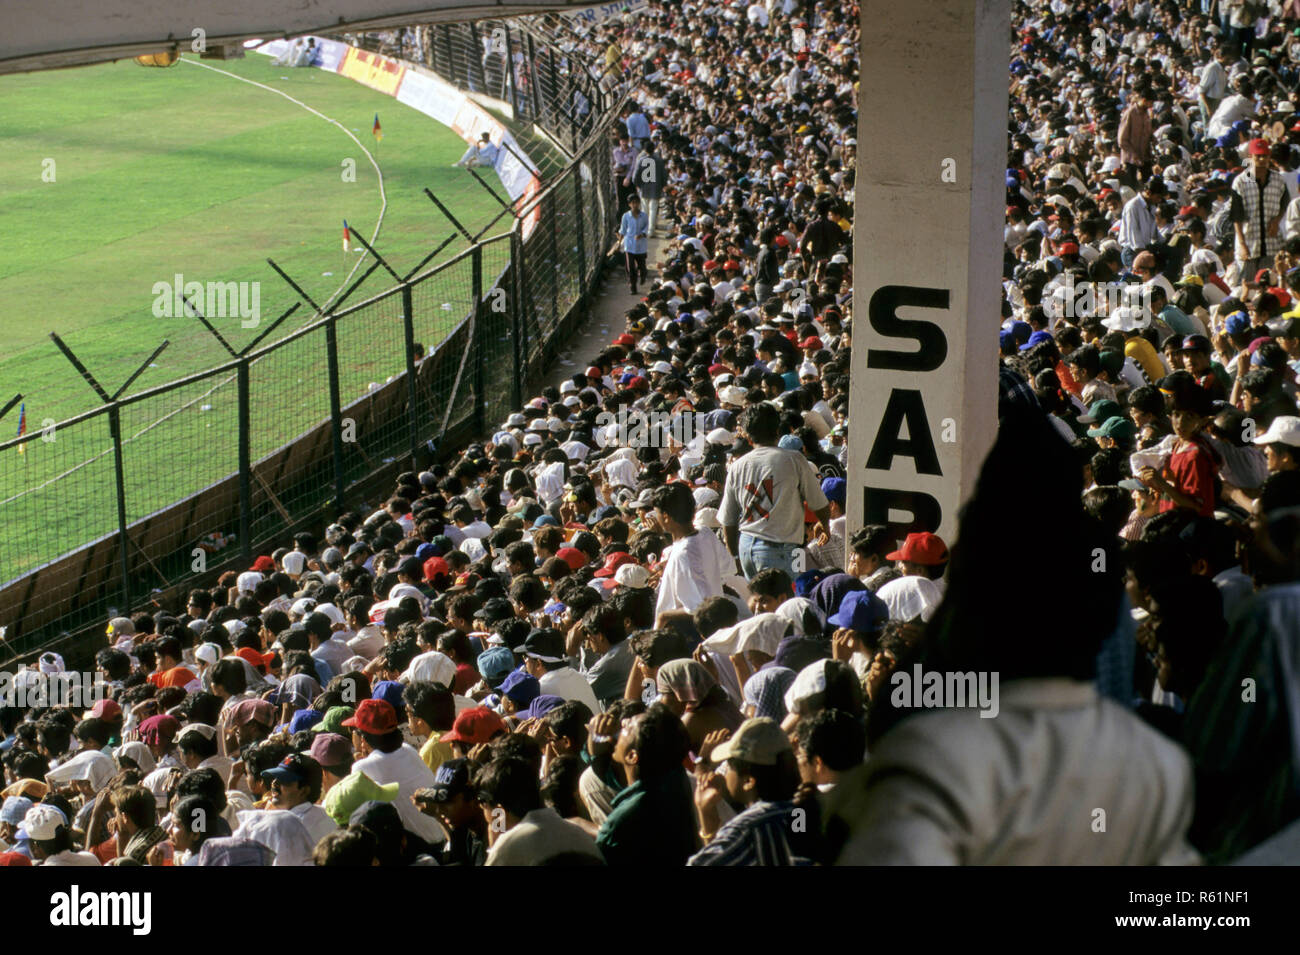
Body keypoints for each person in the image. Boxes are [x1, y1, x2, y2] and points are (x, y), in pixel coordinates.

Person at [719, 402, 831, 580]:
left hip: (747, 545)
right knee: (783, 602)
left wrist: (734, 556)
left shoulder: (737, 466)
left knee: (761, 603)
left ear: (748, 438)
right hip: (781, 550)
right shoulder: (794, 460)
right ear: (778, 432)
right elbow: (819, 503)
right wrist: (825, 525)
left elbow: (728, 520)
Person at [619, 193, 649, 295]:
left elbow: (646, 227)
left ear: (639, 203)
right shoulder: (626, 216)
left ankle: (643, 274)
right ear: (629, 204)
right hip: (630, 244)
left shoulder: (644, 216)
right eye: (632, 203)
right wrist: (620, 242)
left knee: (642, 265)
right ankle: (633, 286)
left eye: (636, 202)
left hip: (640, 245)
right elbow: (623, 230)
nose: (635, 205)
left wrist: (642, 234)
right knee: (630, 267)